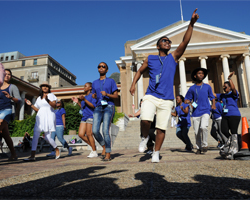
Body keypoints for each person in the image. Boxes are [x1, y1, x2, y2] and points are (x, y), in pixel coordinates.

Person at [129, 9, 199, 162]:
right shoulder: (151, 58)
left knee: (161, 127)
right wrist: (133, 84)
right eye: (164, 41)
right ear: (158, 45)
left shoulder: (173, 57)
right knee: (146, 119)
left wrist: (191, 24)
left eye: (169, 41)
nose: (168, 43)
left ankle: (156, 152)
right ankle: (145, 137)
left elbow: (184, 41)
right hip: (151, 95)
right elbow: (140, 71)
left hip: (167, 99)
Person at [24, 81, 60, 161]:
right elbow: (37, 110)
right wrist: (31, 105)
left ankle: (56, 149)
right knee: (35, 135)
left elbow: (54, 106)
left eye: (47, 86)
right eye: (43, 86)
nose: (45, 87)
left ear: (49, 88)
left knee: (47, 138)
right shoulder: (38, 98)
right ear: (41, 88)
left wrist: (48, 100)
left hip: (48, 116)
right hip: (40, 117)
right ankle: (32, 155)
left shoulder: (51, 95)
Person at [184, 68, 216, 155]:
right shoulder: (192, 88)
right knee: (197, 131)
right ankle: (198, 147)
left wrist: (213, 104)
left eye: (202, 73)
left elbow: (212, 97)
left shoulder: (207, 86)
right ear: (195, 76)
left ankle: (205, 145)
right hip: (195, 113)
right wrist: (189, 102)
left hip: (205, 110)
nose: (201, 75)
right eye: (199, 73)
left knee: (203, 127)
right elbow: (187, 98)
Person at [92, 62, 118, 161]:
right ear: (98, 69)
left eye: (103, 66)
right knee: (95, 130)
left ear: (107, 70)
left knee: (105, 131)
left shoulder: (111, 81)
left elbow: (116, 96)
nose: (101, 68)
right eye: (99, 66)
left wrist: (107, 94)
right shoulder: (94, 82)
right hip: (98, 107)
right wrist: (94, 96)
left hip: (108, 106)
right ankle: (103, 146)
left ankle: (108, 153)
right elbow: (93, 95)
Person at [215, 72, 241, 159]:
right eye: (223, 86)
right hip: (225, 115)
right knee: (224, 130)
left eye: (225, 86)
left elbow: (234, 88)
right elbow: (213, 94)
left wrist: (230, 78)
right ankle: (232, 143)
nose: (223, 88)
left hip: (234, 115)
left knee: (234, 132)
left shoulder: (233, 94)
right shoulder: (222, 95)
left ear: (229, 87)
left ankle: (234, 151)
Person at [72, 82, 98, 158]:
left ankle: (94, 152)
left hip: (91, 116)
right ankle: (93, 147)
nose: (84, 87)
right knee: (80, 134)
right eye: (84, 86)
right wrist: (78, 102)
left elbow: (93, 106)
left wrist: (84, 99)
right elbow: (83, 108)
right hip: (84, 117)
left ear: (90, 88)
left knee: (89, 134)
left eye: (86, 86)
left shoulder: (92, 95)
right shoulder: (84, 97)